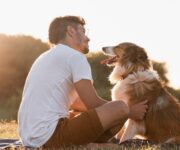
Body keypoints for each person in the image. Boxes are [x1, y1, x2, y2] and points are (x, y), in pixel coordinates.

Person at [17, 15, 148, 148]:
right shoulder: (75, 56)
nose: (88, 37)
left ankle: (89, 144)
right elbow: (92, 103)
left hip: (29, 137)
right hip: (50, 137)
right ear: (71, 31)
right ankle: (90, 146)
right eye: (83, 31)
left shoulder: (45, 56)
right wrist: (129, 111)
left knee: (83, 113)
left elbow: (75, 103)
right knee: (120, 107)